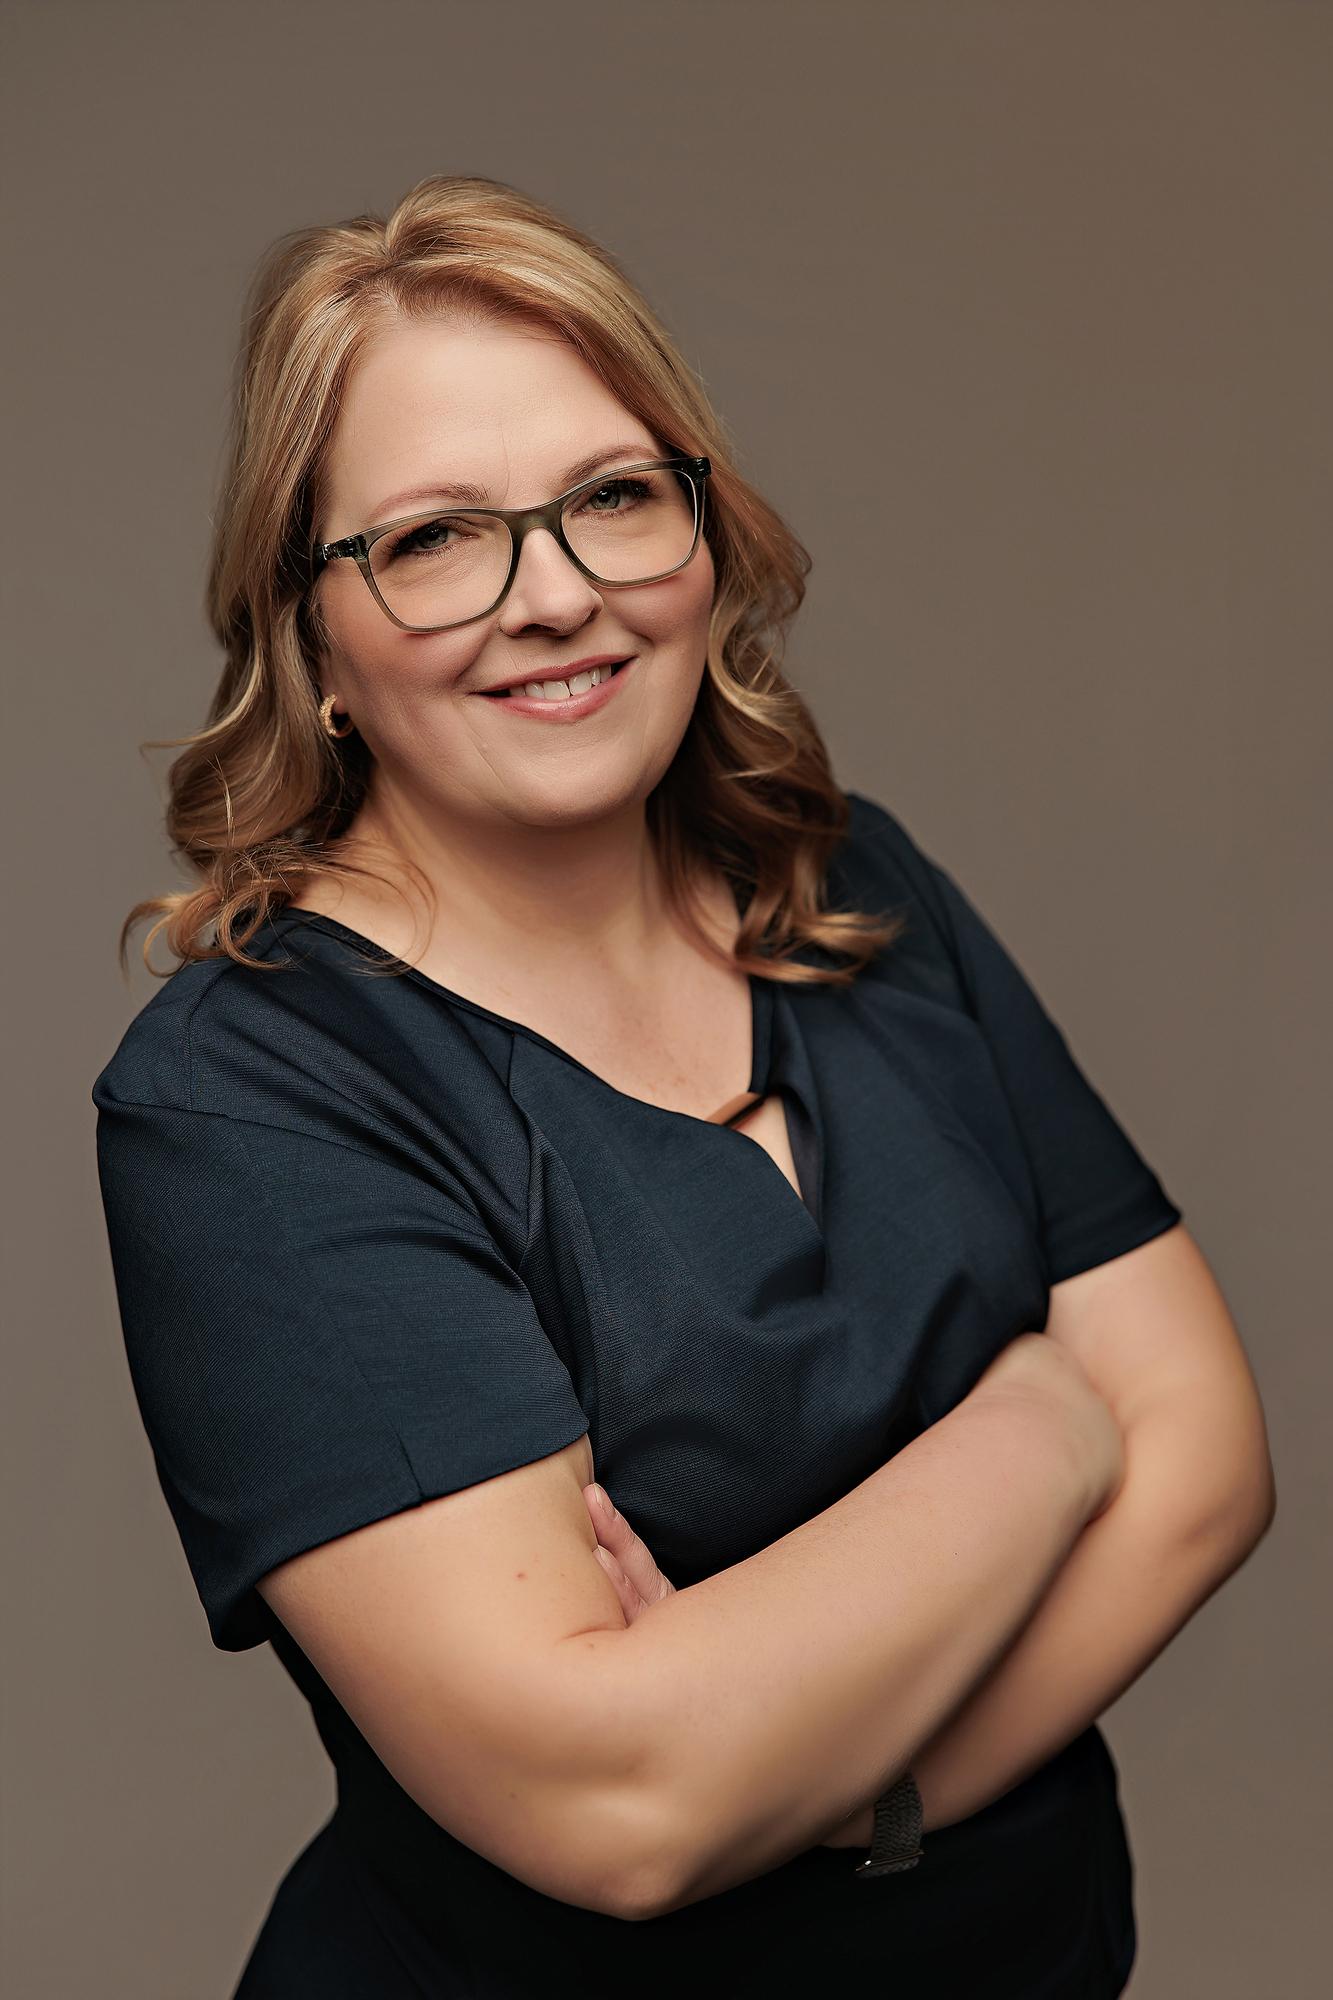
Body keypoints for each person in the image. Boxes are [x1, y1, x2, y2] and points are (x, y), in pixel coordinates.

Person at [90, 174, 1274, 1999]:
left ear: (703, 532)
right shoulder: (255, 1100)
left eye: (613, 498)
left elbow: (1203, 1458)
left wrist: (860, 1800)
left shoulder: (852, 882)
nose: (554, 595)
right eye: (434, 538)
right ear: (309, 636)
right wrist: (1046, 1424)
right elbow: (622, 1802)